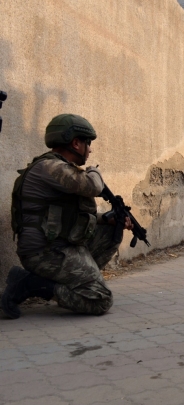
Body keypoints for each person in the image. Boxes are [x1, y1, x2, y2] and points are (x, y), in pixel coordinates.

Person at [1, 114, 131, 319]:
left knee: (110, 230)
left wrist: (107, 219)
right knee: (100, 300)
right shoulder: (50, 168)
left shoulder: (59, 170)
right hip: (43, 252)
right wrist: (94, 171)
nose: (91, 149)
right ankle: (30, 284)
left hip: (59, 245)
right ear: (76, 143)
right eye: (88, 144)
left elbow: (70, 216)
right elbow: (93, 186)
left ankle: (77, 283)